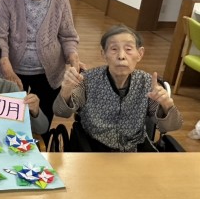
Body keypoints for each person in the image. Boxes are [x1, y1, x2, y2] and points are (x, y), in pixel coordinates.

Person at [0, 0, 79, 141]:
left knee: (42, 124)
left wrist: (73, 59)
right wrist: (6, 69)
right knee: (8, 123)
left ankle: (40, 155)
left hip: (48, 72)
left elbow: (68, 36)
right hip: (12, 70)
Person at [53, 25, 183, 152]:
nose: (121, 56)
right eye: (114, 49)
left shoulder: (147, 83)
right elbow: (61, 112)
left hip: (134, 149)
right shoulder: (87, 80)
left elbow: (171, 126)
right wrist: (66, 90)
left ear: (140, 54)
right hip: (94, 148)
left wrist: (167, 105)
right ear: (103, 53)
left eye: (128, 49)